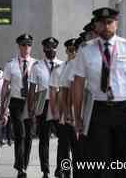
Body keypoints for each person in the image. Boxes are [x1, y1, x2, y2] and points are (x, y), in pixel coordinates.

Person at [73, 7, 126, 178]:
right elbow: (78, 86)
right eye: (101, 23)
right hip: (97, 111)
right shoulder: (85, 49)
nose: (106, 26)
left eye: (109, 23)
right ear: (96, 26)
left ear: (116, 24)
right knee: (98, 163)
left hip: (124, 110)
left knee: (125, 161)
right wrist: (77, 118)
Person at [0, 33, 37, 178]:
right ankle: (20, 167)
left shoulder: (36, 64)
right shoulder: (11, 64)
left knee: (28, 136)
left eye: (28, 45)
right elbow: (5, 86)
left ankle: (23, 165)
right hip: (16, 102)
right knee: (20, 134)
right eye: (23, 45)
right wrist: (3, 106)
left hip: (31, 102)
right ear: (19, 46)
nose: (26, 48)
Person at [28, 37, 63, 178]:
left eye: (53, 47)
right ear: (44, 49)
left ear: (56, 48)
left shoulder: (63, 65)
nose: (51, 50)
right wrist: (31, 108)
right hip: (43, 104)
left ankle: (60, 168)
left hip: (59, 105)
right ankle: (45, 170)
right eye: (48, 47)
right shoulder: (37, 66)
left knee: (63, 139)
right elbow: (32, 89)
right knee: (44, 139)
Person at [49, 38, 79, 178]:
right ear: (67, 51)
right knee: (64, 144)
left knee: (77, 146)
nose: (73, 52)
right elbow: (54, 91)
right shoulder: (60, 68)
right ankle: (64, 171)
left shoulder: (80, 67)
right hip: (63, 113)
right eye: (71, 50)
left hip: (77, 113)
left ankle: (78, 172)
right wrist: (55, 112)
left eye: (75, 50)